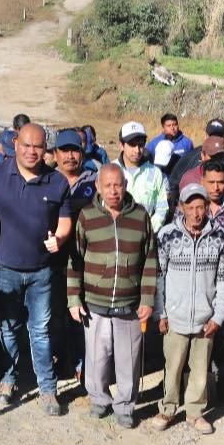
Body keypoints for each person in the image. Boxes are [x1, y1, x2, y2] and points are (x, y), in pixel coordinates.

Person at [0, 123, 72, 415]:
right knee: (8, 328)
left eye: (38, 147)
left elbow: (66, 219)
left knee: (40, 330)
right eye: (27, 145)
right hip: (5, 266)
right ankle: (8, 380)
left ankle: (47, 389)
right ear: (15, 144)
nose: (32, 152)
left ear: (46, 149)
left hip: (41, 271)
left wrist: (60, 237)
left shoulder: (56, 181)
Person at [67, 164, 157, 429]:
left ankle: (126, 406)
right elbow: (75, 261)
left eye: (118, 185)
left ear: (125, 185)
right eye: (107, 186)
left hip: (130, 304)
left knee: (129, 357)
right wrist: (74, 298)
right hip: (95, 302)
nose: (113, 191)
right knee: (96, 355)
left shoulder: (140, 216)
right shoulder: (87, 216)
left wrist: (148, 299)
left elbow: (151, 260)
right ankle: (99, 399)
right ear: (98, 187)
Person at [150, 184, 224, 434]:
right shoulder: (166, 235)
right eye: (190, 207)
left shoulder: (220, 237)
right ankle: (168, 407)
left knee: (200, 370)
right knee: (172, 366)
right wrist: (160, 312)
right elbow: (159, 276)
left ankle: (195, 412)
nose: (196, 213)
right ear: (181, 207)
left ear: (207, 207)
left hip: (205, 319)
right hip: (175, 316)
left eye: (201, 207)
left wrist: (219, 316)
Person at [52, 129, 98, 378]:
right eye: (64, 151)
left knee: (82, 313)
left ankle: (82, 362)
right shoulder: (47, 178)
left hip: (86, 260)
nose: (70, 156)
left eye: (75, 150)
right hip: (51, 259)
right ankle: (58, 358)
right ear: (55, 154)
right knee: (54, 313)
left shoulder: (95, 180)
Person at [116, 121, 170, 230]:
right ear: (121, 145)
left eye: (140, 145)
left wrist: (147, 231)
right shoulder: (111, 171)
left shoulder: (155, 173)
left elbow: (162, 208)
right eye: (132, 145)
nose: (137, 150)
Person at [168, 119, 224, 191]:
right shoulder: (192, 156)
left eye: (219, 136)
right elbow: (174, 181)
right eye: (211, 135)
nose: (214, 139)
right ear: (205, 136)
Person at [179, 136, 224, 206]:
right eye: (212, 157)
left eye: (220, 157)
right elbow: (182, 208)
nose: (216, 160)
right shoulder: (189, 178)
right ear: (202, 155)